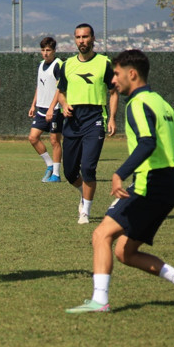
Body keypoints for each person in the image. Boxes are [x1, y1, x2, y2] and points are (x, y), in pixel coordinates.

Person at [67, 49, 174, 313]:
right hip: (168, 186)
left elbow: (147, 142)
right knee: (125, 252)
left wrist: (119, 173)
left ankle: (100, 301)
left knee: (101, 235)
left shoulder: (137, 104)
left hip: (149, 183)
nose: (113, 80)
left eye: (116, 74)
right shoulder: (162, 103)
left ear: (132, 74)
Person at [56, 23, 118, 224]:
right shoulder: (67, 65)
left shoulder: (104, 63)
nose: (82, 41)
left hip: (95, 118)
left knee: (89, 168)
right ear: (75, 40)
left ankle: (85, 212)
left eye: (85, 37)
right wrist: (64, 105)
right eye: (78, 37)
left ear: (93, 38)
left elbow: (114, 92)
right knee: (69, 172)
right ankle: (84, 193)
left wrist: (113, 118)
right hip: (73, 121)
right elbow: (61, 93)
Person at [27, 37, 64, 182]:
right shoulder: (40, 64)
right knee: (33, 137)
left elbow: (60, 89)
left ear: (54, 50)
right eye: (43, 50)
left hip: (55, 110)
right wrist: (33, 104)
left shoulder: (58, 65)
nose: (45, 53)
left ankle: (56, 174)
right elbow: (40, 86)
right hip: (41, 109)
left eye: (48, 50)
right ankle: (49, 165)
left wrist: (51, 108)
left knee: (55, 141)